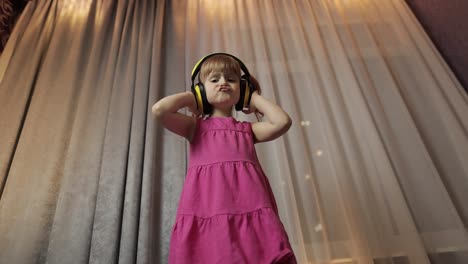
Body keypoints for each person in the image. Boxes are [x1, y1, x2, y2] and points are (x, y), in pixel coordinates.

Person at [152, 53, 297, 264]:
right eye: (214, 79)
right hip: (207, 212)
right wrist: (193, 97)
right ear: (201, 89)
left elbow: (282, 122)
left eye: (231, 79)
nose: (223, 83)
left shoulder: (248, 130)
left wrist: (253, 97)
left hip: (249, 212)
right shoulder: (194, 128)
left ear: (242, 88)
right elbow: (159, 110)